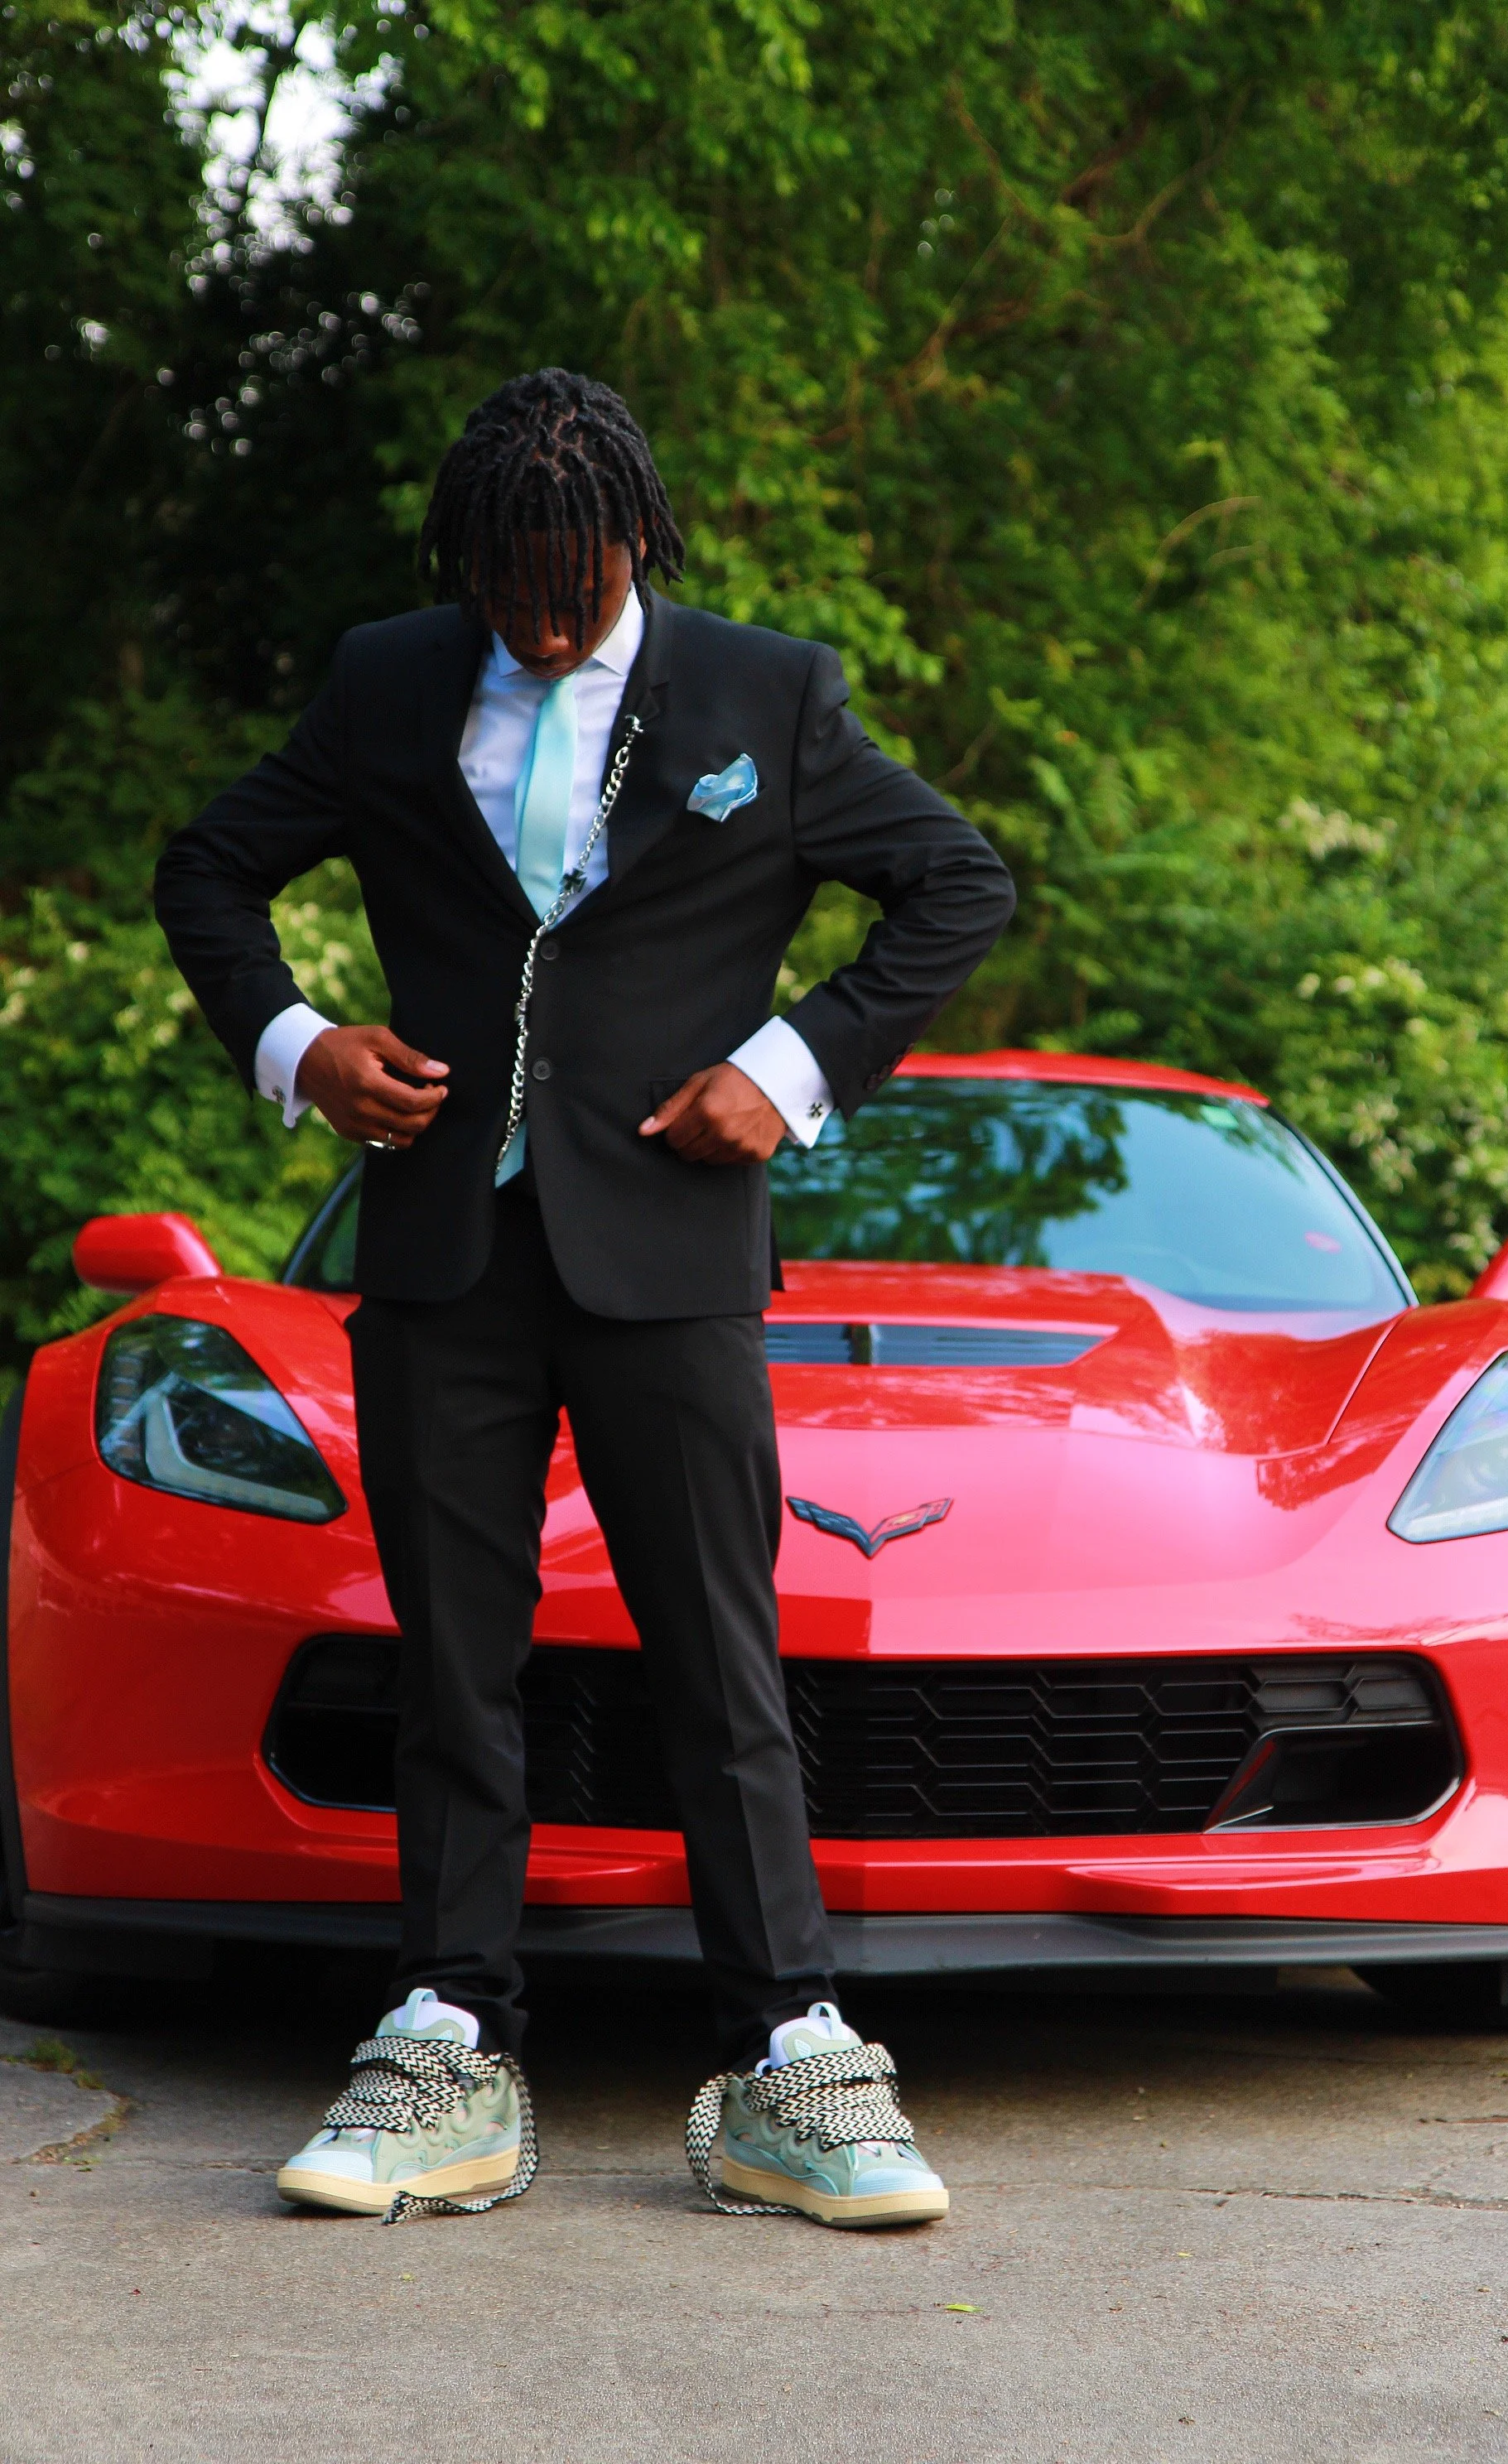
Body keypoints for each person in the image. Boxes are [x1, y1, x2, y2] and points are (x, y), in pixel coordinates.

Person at [155, 368, 1015, 2228]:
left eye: (575, 578)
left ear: (638, 536)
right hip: (440, 1254)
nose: (543, 619)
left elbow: (953, 882)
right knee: (453, 1668)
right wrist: (300, 1044)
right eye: (507, 582)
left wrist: (782, 1073)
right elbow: (208, 863)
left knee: (722, 1659)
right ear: (461, 556)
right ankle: (447, 2041)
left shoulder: (761, 694)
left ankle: (791, 2054)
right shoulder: (390, 676)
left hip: (673, 1262)